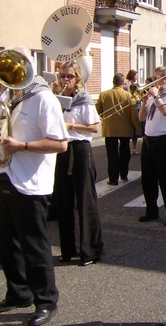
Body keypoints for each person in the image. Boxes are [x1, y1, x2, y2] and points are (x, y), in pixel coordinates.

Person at [0, 46, 68, 326]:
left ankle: (46, 299)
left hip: (30, 183)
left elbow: (60, 143)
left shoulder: (43, 99)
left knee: (34, 245)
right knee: (6, 243)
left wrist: (22, 146)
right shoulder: (9, 97)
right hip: (6, 175)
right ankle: (19, 292)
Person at [53, 61, 104, 266]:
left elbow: (94, 128)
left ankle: (89, 251)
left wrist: (71, 125)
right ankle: (68, 249)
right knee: (63, 201)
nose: (66, 80)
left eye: (70, 76)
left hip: (81, 149)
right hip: (63, 149)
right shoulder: (56, 100)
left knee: (85, 200)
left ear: (77, 78)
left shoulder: (83, 98)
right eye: (63, 76)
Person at [138, 66, 166, 226]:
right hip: (148, 140)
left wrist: (156, 95)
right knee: (147, 179)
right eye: (153, 77)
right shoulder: (153, 95)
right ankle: (151, 211)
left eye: (157, 78)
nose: (154, 81)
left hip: (164, 141)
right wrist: (144, 103)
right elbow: (142, 118)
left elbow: (165, 111)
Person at [95, 74, 142, 186]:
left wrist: (105, 116)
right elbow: (134, 114)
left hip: (109, 128)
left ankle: (113, 178)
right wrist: (138, 128)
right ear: (123, 83)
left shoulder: (103, 94)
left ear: (113, 82)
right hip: (125, 128)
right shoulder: (129, 95)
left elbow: (98, 108)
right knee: (125, 152)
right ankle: (124, 175)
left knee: (112, 154)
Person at [125, 69, 140, 154]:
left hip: (137, 107)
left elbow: (138, 97)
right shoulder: (126, 85)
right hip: (128, 107)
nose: (137, 77)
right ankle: (128, 148)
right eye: (136, 75)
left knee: (135, 128)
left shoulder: (137, 85)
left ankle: (133, 148)